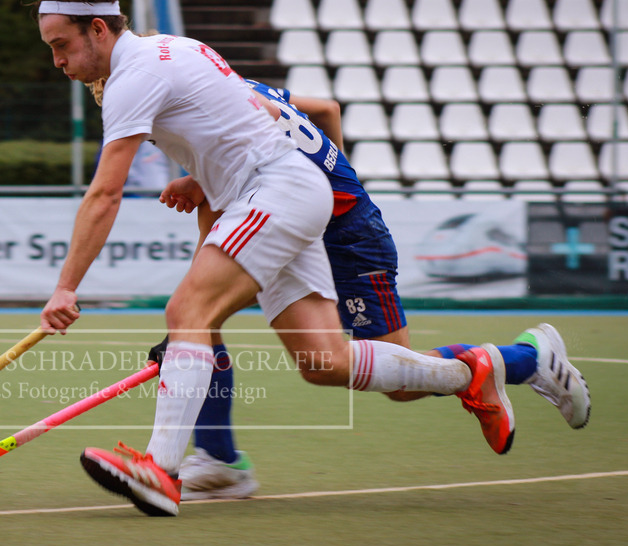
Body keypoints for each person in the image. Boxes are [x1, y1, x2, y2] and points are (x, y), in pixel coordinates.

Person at [35, 0, 515, 518]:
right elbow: (258, 112)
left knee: (188, 311)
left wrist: (66, 287)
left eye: (62, 46)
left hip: (275, 190)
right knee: (324, 361)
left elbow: (105, 194)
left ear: (98, 29)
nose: (58, 62)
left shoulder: (130, 80)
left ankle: (159, 473)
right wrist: (205, 174)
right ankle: (470, 372)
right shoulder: (174, 47)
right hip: (286, 187)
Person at [161, 81, 591, 500]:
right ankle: (219, 460)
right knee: (313, 363)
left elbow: (213, 222)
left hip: (348, 237)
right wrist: (335, 178)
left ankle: (526, 358)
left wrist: (333, 196)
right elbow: (328, 109)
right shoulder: (242, 88)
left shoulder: (209, 120)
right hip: (305, 223)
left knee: (397, 383)